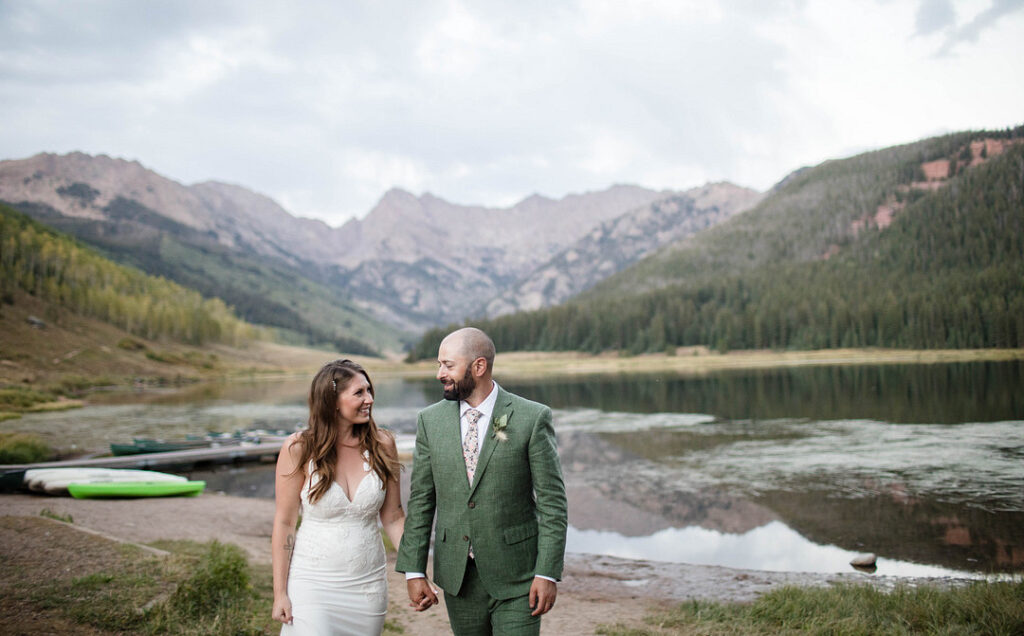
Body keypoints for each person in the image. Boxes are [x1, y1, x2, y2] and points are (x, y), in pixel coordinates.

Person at [396, 327, 568, 635]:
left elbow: (553, 504)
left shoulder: (532, 417)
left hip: (519, 576)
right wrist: (413, 570)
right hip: (457, 577)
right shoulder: (429, 421)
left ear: (479, 366)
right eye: (439, 364)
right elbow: (421, 500)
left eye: (447, 365)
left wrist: (548, 572)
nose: (439, 373)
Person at [272, 359, 404, 634]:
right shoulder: (299, 448)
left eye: (369, 391)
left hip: (368, 586)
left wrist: (415, 571)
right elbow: (284, 522)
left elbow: (393, 517)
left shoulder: (383, 444)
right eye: (359, 393)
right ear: (332, 400)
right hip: (312, 584)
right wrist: (280, 593)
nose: (369, 399)